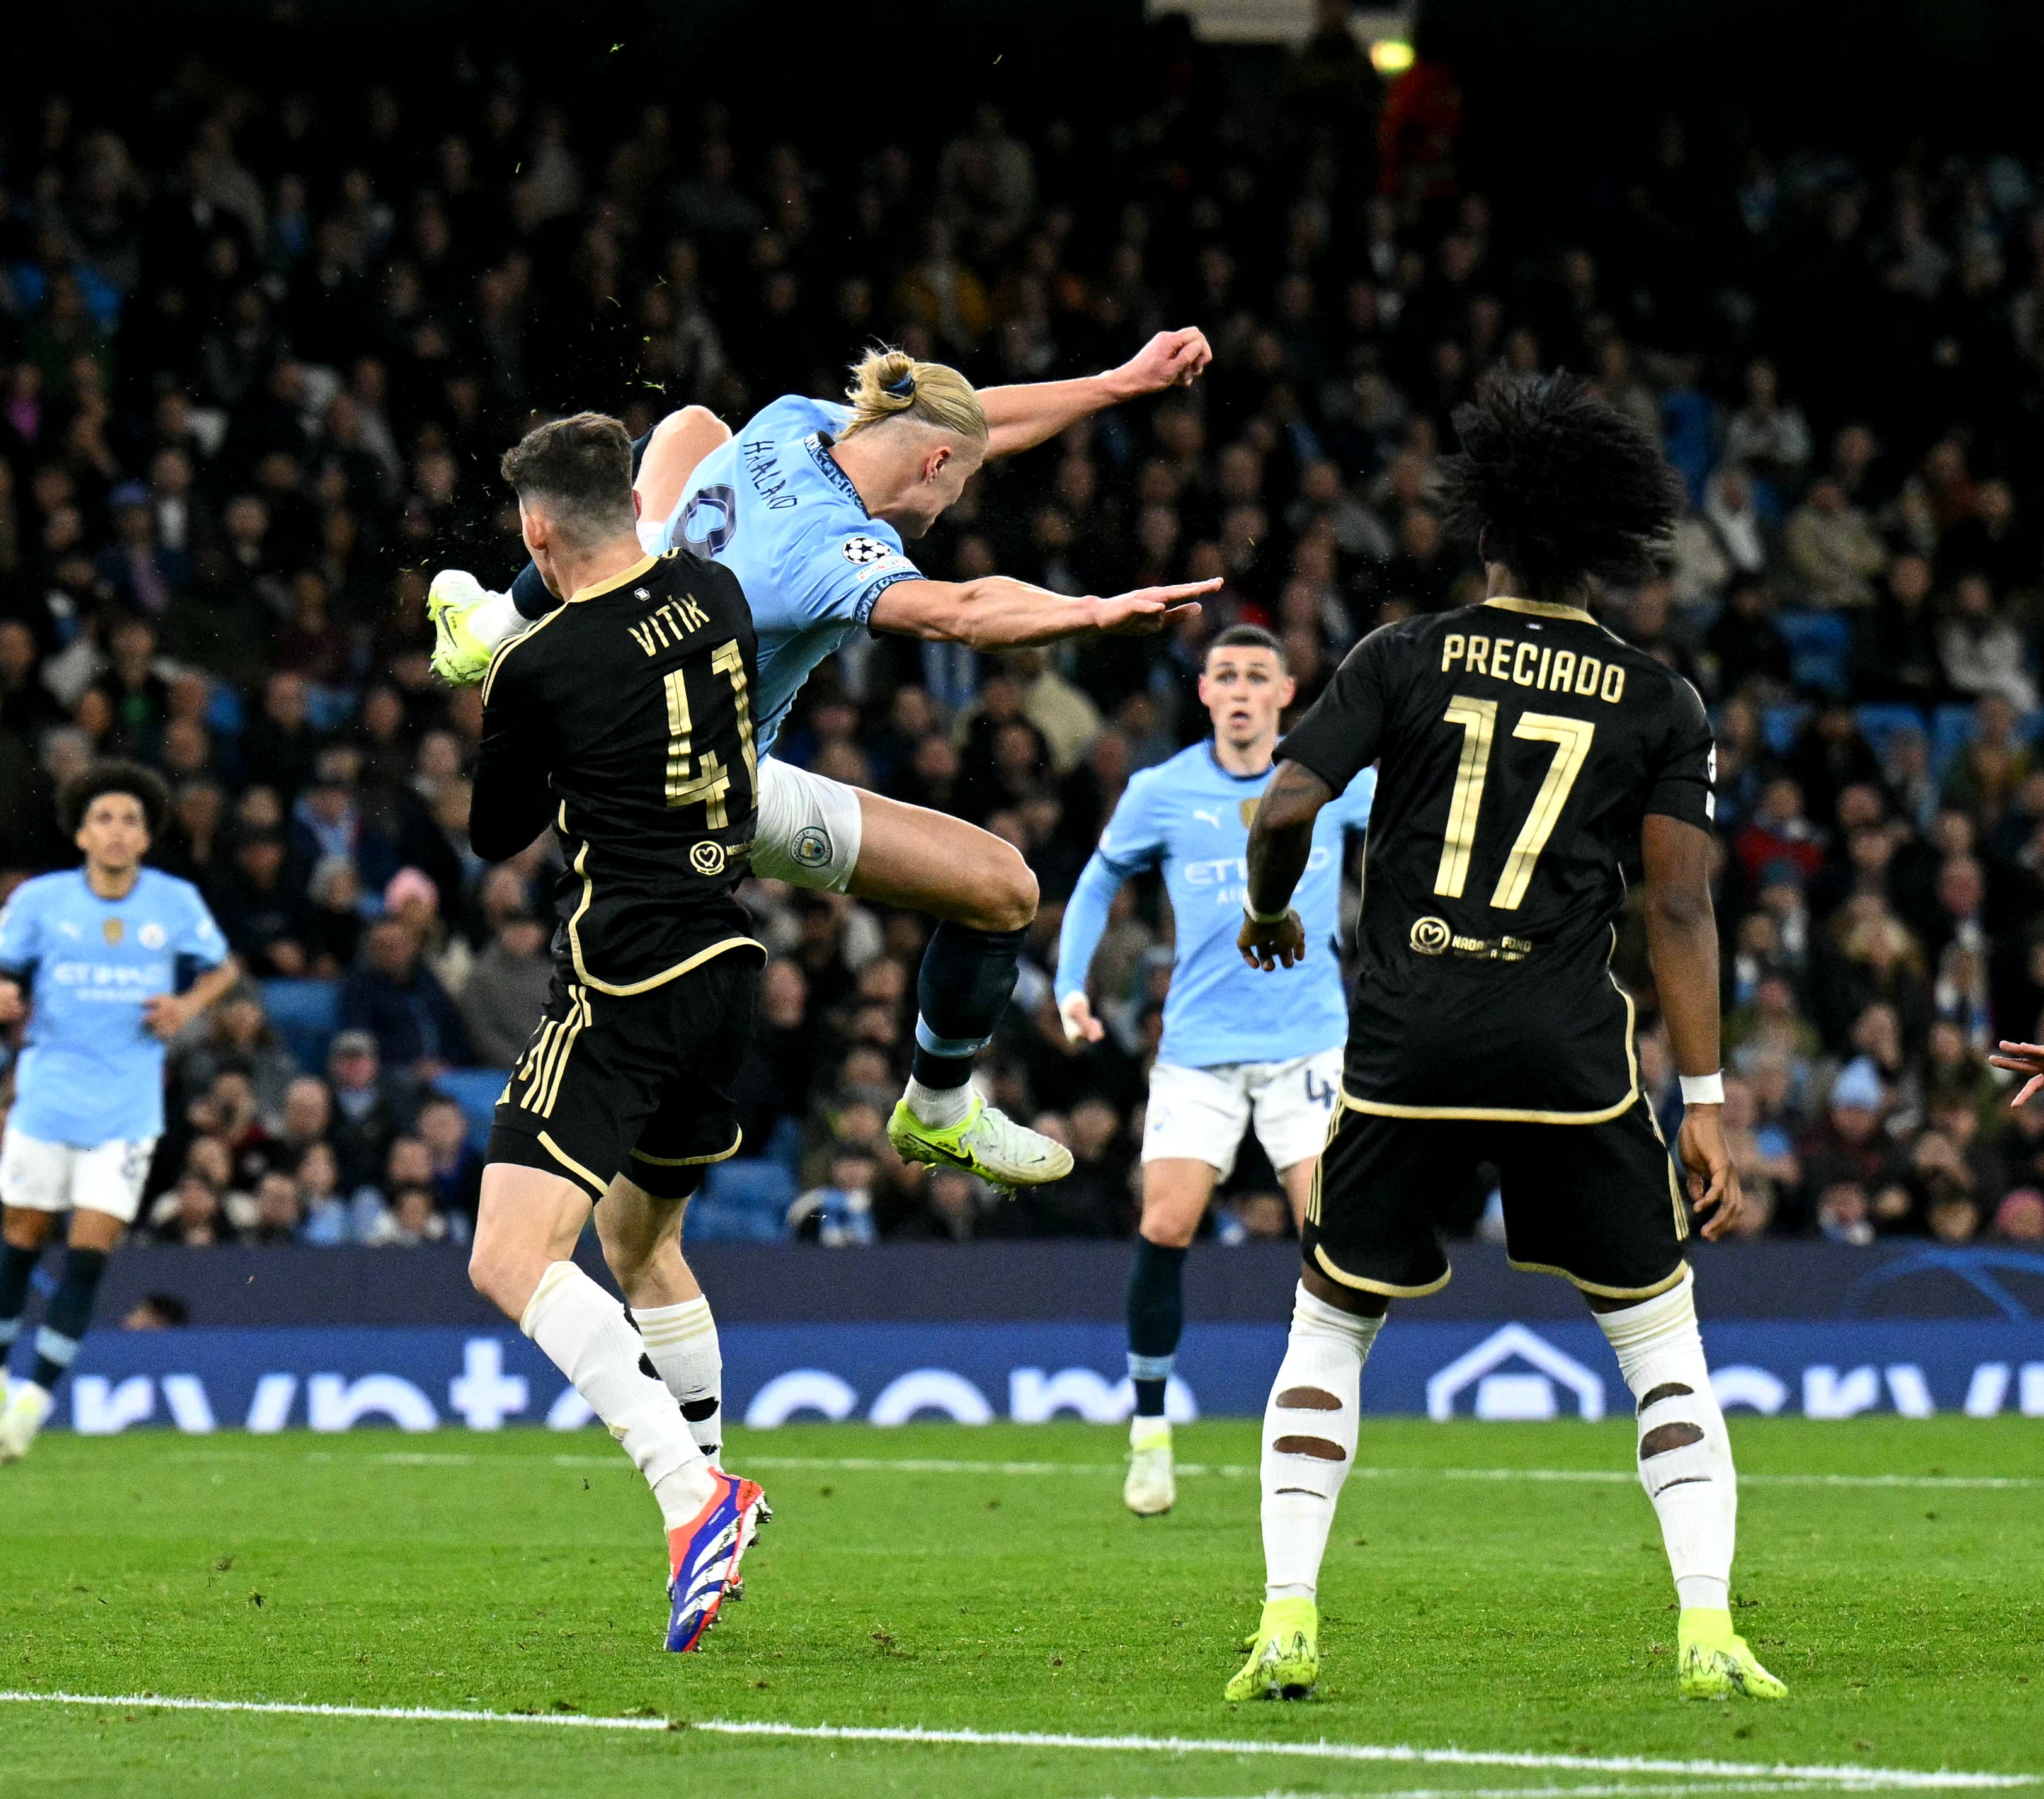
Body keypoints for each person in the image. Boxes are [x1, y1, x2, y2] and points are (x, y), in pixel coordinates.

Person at [1226, 370, 1784, 1705]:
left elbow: (1280, 808)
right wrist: (1703, 1097)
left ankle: (1289, 1612)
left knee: (1329, 1328)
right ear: (1608, 546)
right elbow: (1679, 902)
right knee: (1660, 1345)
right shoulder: (1659, 699)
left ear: (1484, 532)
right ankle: (1706, 1627)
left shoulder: (1402, 656)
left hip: (1408, 1051)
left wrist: (1267, 917)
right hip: (1568, 1062)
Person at [426, 338, 1216, 1189]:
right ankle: (939, 1111)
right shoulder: (829, 554)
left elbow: (972, 421)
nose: (954, 506)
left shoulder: (792, 425)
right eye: (957, 482)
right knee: (1006, 890)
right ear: (935, 461)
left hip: (628, 657)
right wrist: (1092, 614)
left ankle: (494, 625)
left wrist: (1115, 384)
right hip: (703, 786)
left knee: (691, 428)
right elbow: (963, 611)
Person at [460, 412, 768, 1654]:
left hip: (627, 975)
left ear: (537, 531)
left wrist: (489, 672)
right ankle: (707, 1517)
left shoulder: (546, 667)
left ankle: (696, 1504)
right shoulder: (718, 589)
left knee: (506, 1256)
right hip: (728, 963)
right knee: (640, 1243)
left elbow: (495, 837)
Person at [1054, 624, 1374, 1517]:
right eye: (1224, 675)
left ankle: (1319, 1410)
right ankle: (1150, 1431)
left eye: (1256, 676)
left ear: (1285, 693)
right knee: (1168, 1223)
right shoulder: (1162, 791)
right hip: (1198, 1048)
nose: (1238, 689)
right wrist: (1070, 982)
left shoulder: (1327, 782)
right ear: (1204, 694)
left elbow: (1422, 828)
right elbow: (1096, 880)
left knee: (1333, 1234)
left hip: (1308, 1042)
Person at [0, 760, 239, 1465]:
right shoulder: (40, 901)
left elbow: (224, 968)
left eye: (131, 822)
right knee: (21, 1244)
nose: (117, 833)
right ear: (81, 832)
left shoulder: (173, 902)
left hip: (127, 1110)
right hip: (47, 1098)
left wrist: (186, 1006)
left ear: (147, 838)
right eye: (104, 819)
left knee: (87, 1258)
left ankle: (33, 1403)